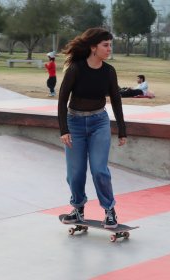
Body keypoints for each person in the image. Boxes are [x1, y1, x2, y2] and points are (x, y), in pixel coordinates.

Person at [58, 28, 127, 229]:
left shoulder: (108, 71)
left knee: (99, 170)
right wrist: (64, 129)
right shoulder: (76, 69)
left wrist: (122, 130)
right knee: (75, 172)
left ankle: (109, 210)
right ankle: (78, 208)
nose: (109, 49)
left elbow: (116, 100)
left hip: (99, 122)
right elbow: (62, 100)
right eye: (105, 45)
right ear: (93, 47)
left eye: (110, 45)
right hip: (75, 124)